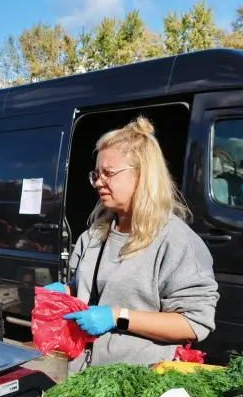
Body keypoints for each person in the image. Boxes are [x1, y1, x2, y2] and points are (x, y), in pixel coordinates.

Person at [43, 116, 219, 372]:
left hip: (140, 382)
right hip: (83, 377)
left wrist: (117, 317)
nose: (99, 182)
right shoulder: (94, 235)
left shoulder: (176, 241)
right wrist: (66, 293)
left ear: (143, 175)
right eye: (96, 174)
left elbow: (193, 324)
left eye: (109, 173)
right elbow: (92, 289)